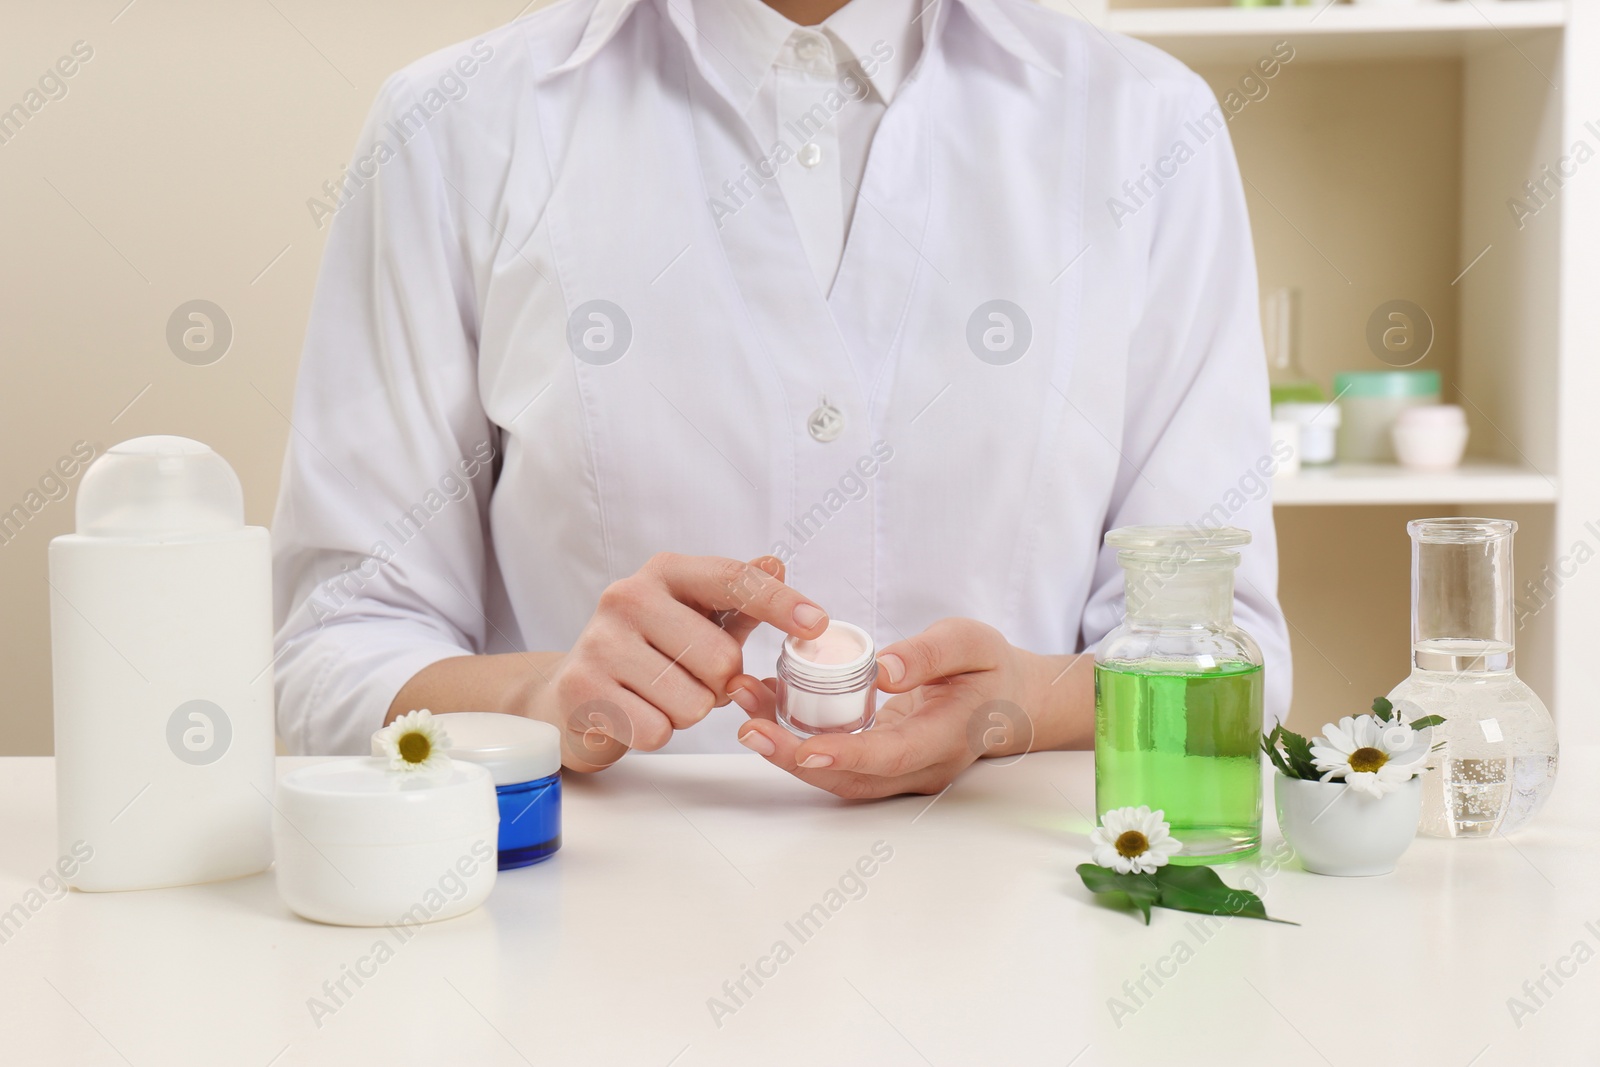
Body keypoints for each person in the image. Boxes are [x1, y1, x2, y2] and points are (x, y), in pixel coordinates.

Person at [271, 0, 1292, 799]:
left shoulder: (1146, 126)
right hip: (592, 949)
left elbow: (1228, 648)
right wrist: (538, 696)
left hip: (1023, 932)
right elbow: (337, 645)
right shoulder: (454, 126)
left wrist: (1023, 706)